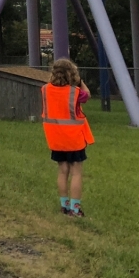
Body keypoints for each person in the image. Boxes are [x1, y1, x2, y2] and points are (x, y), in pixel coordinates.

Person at [42, 58, 94, 217]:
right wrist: (80, 81)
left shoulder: (45, 89)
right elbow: (88, 95)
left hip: (55, 138)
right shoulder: (75, 92)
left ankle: (64, 206)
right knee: (76, 172)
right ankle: (75, 208)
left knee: (62, 171)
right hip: (73, 138)